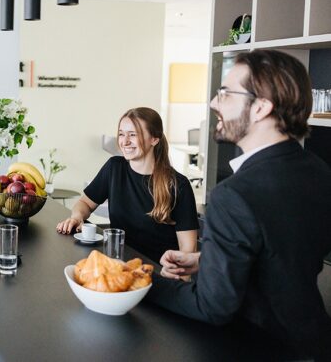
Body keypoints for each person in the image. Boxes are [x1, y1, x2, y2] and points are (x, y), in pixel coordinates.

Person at [149, 50, 331, 360]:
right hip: (312, 340)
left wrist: (141, 280)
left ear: (261, 107)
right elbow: (281, 255)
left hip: (256, 345)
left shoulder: (233, 195)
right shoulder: (318, 171)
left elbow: (213, 307)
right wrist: (209, 259)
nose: (213, 103)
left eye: (226, 93)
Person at [56, 107, 199, 262]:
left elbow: (188, 250)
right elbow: (85, 203)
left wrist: (179, 282)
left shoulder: (178, 185)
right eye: (121, 134)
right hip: (118, 266)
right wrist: (77, 217)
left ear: (154, 139)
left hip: (158, 274)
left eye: (133, 134)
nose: (125, 141)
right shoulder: (114, 168)